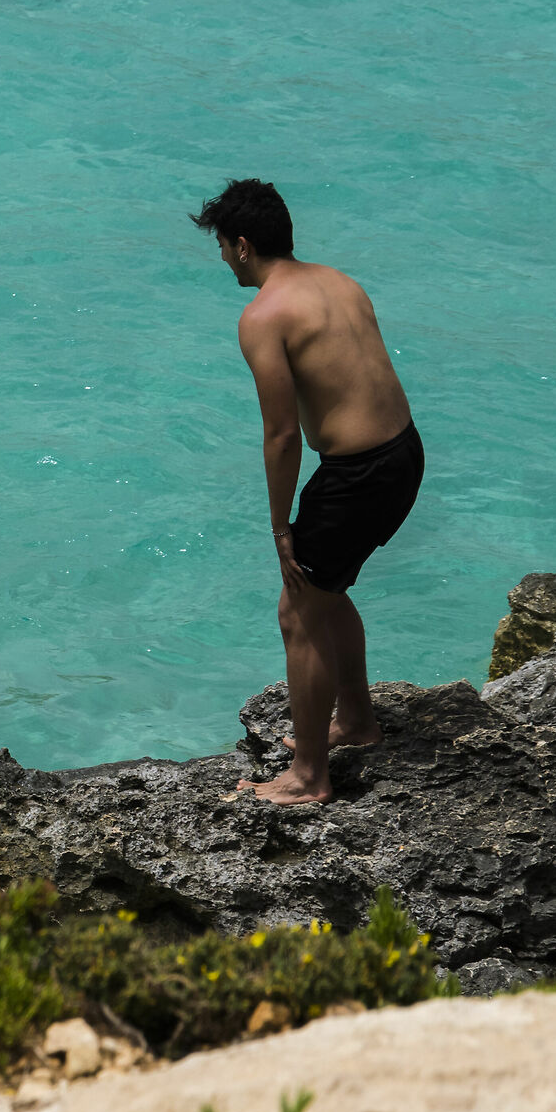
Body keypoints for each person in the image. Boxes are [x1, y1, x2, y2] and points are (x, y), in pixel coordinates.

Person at [197, 178, 423, 805]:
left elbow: (281, 433)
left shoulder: (263, 316)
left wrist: (281, 528)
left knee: (297, 608)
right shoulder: (339, 282)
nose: (223, 259)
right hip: (403, 453)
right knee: (327, 589)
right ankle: (357, 721)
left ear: (243, 246)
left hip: (357, 475)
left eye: (222, 246)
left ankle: (308, 776)